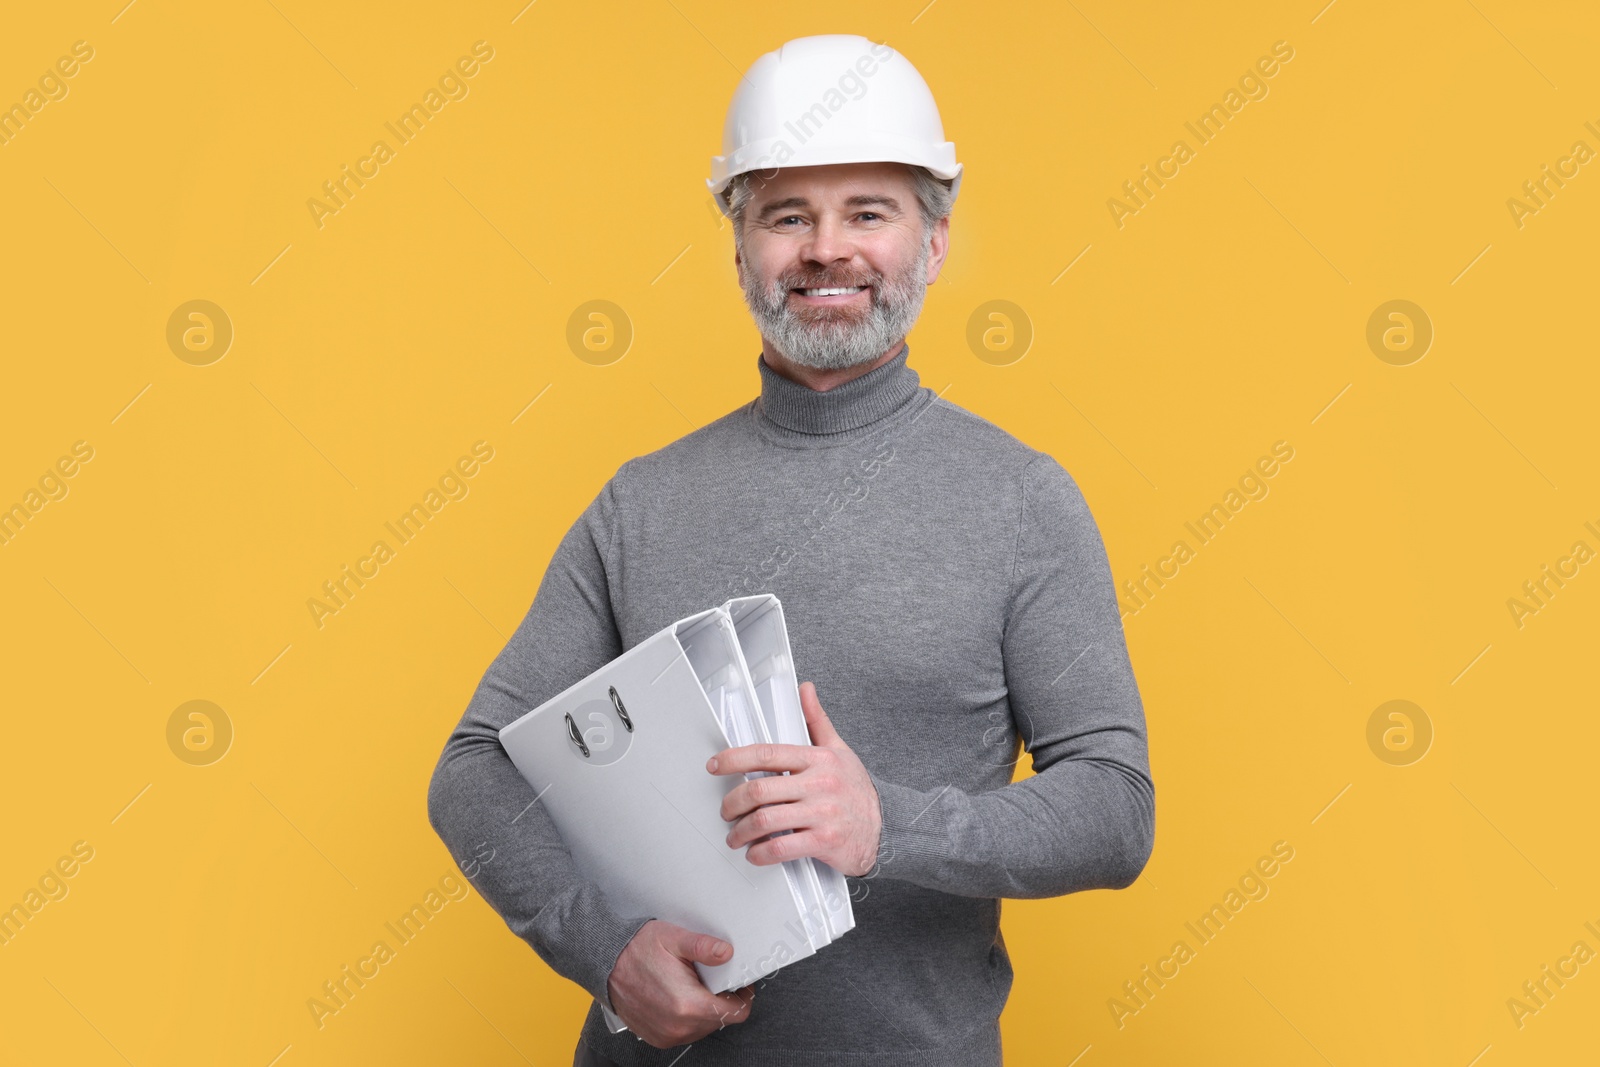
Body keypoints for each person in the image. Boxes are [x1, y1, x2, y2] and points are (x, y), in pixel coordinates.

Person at [427, 33, 1155, 1067]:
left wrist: (884, 825)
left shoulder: (1021, 500)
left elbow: (1114, 806)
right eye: (787, 215)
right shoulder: (641, 504)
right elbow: (470, 774)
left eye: (868, 212)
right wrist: (603, 946)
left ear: (934, 242)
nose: (827, 249)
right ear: (739, 248)